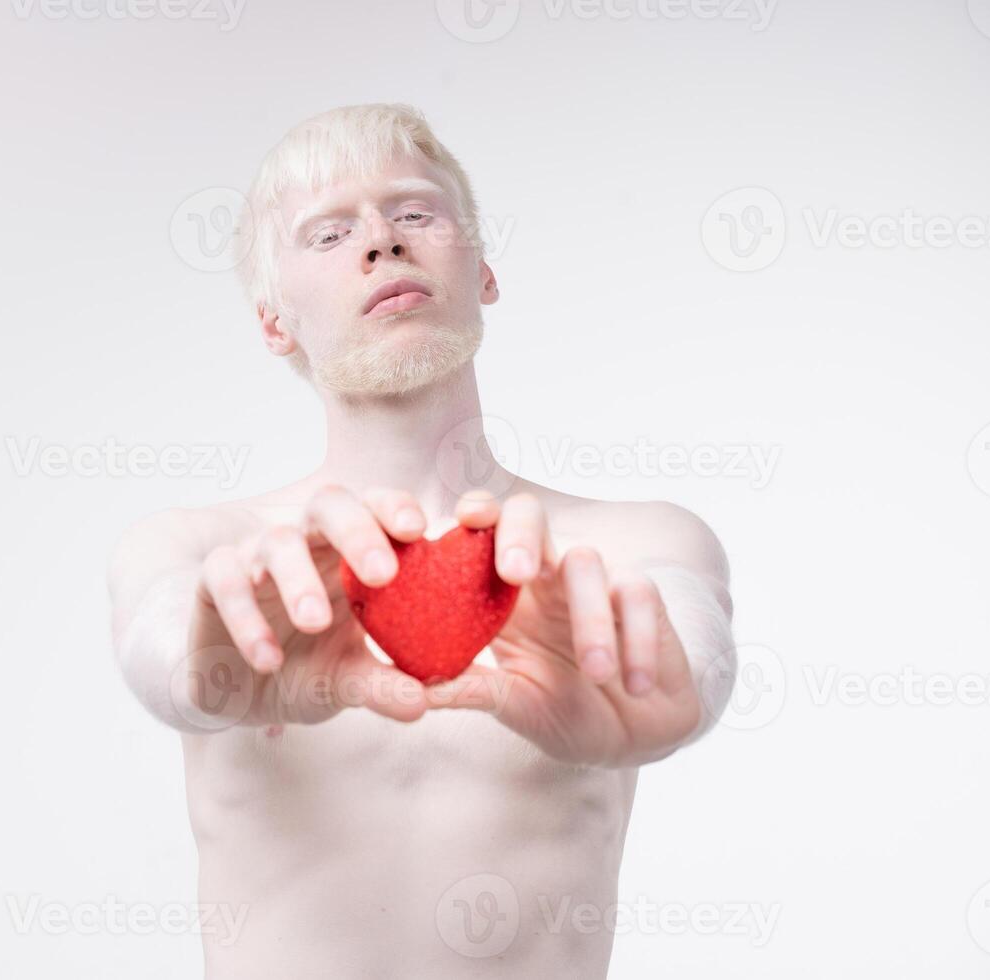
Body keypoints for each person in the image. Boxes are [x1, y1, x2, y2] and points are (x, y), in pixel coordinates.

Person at [106, 102, 736, 978]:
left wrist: (670, 692)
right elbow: (161, 654)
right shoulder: (204, 553)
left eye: (414, 213)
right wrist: (219, 673)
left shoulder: (631, 543)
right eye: (327, 234)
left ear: (481, 268)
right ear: (273, 321)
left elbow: (691, 654)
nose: (381, 241)